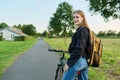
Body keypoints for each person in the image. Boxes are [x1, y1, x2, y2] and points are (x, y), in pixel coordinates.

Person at [62, 10, 90, 80]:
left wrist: (68, 63)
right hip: (84, 62)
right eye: (74, 17)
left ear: (82, 18)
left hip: (78, 61)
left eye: (77, 17)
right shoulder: (83, 30)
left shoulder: (82, 30)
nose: (75, 19)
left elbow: (79, 49)